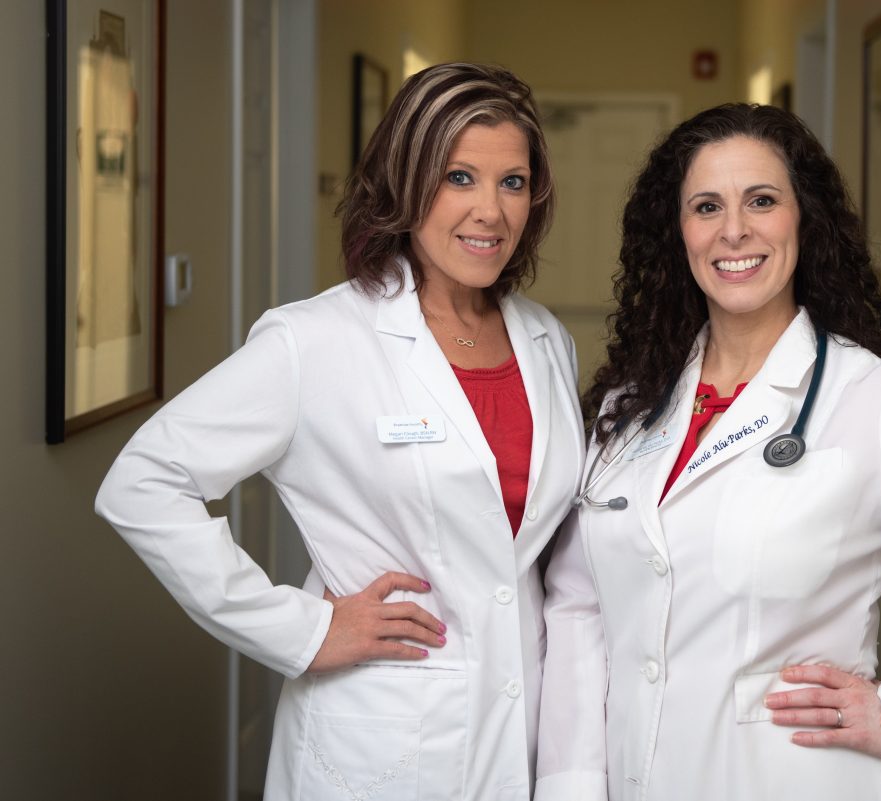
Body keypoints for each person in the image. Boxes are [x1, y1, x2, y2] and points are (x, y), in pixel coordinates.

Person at [534, 104, 881, 801]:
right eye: (706, 206)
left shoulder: (878, 401)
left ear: (806, 220)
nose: (734, 230)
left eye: (761, 201)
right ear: (678, 234)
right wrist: (571, 785)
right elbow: (578, 606)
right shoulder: (629, 407)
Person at [97, 63, 584, 801]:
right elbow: (142, 482)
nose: (490, 210)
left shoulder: (546, 340)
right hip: (378, 740)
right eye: (458, 177)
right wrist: (299, 629)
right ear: (404, 184)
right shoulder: (315, 341)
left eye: (512, 182)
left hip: (523, 730)